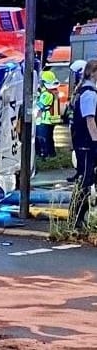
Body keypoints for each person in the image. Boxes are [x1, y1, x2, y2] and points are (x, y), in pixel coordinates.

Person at [69, 59, 97, 230]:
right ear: (93, 73)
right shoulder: (90, 94)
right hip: (87, 144)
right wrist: (95, 143)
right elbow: (90, 121)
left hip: (82, 143)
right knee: (85, 180)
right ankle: (76, 219)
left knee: (86, 179)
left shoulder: (84, 91)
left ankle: (79, 217)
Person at [35, 70, 61, 158]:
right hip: (50, 120)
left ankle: (44, 156)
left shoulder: (46, 94)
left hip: (44, 120)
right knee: (49, 139)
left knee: (42, 139)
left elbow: (39, 106)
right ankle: (51, 155)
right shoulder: (54, 92)